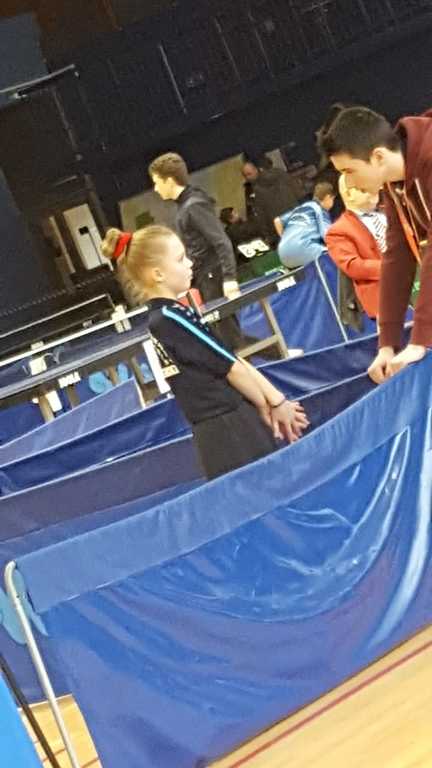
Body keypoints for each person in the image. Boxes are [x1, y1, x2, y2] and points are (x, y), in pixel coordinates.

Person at [101, 225, 309, 480]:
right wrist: (273, 404)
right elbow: (232, 368)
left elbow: (231, 359)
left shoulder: (171, 314)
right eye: (180, 259)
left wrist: (273, 401)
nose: (190, 263)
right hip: (229, 431)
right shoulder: (168, 318)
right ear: (158, 274)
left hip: (229, 425)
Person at [319, 105, 432, 383]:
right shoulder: (394, 184)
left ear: (378, 157)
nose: (348, 183)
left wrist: (420, 340)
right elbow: (397, 256)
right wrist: (387, 344)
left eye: (349, 171)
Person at [148, 152, 243, 350]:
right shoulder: (186, 205)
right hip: (205, 277)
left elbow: (221, 241)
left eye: (157, 182)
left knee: (230, 338)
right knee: (226, 336)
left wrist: (229, 279)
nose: (155, 189)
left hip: (213, 276)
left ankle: (271, 358)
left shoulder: (194, 205)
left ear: (169, 181)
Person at [325, 174, 384, 318]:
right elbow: (353, 266)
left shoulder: (393, 210)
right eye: (365, 187)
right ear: (349, 194)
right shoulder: (338, 231)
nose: (374, 189)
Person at [275, 181, 336, 269]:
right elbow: (328, 235)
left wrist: (286, 239)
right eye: (333, 199)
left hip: (284, 255)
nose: (332, 203)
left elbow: (277, 221)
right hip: (304, 249)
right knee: (333, 255)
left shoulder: (301, 208)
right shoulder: (320, 210)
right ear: (328, 197)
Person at [242, 159, 301, 246]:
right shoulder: (280, 174)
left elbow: (261, 215)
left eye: (248, 174)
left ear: (256, 169)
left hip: (281, 228)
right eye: (245, 175)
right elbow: (297, 191)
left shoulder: (255, 191)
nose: (247, 178)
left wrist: (269, 236)